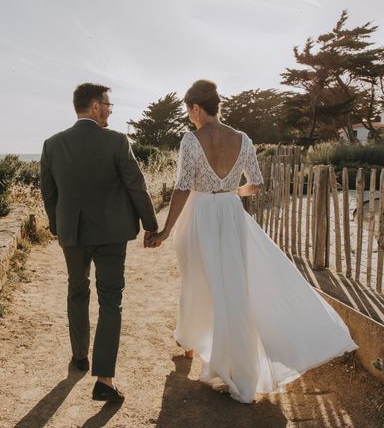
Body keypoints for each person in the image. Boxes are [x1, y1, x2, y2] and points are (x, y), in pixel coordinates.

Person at [148, 80, 358, 403]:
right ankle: (230, 361)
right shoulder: (243, 140)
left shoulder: (190, 141)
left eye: (189, 112)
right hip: (231, 215)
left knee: (197, 280)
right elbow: (256, 184)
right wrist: (233, 192)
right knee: (232, 286)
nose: (190, 118)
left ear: (196, 108)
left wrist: (164, 230)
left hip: (201, 215)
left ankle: (190, 342)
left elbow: (182, 188)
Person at [40, 82, 158, 403]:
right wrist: (151, 225)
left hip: (72, 235)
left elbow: (48, 192)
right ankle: (105, 379)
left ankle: (79, 356)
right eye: (108, 105)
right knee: (110, 301)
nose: (109, 110)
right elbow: (136, 185)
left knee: (76, 290)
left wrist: (57, 226)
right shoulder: (117, 142)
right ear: (95, 106)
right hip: (110, 235)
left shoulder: (52, 144)